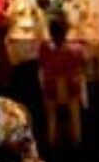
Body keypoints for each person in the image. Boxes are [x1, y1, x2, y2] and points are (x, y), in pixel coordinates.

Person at [35, 16, 87, 150]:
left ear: (50, 32)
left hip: (51, 89)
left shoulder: (44, 48)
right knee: (75, 113)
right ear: (66, 31)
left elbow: (40, 65)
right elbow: (82, 65)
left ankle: (51, 142)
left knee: (51, 116)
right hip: (71, 88)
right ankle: (77, 141)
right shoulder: (77, 49)